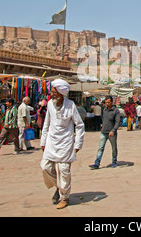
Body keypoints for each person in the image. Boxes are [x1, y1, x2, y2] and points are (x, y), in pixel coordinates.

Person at [40, 79, 85, 210]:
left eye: (54, 92)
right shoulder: (49, 104)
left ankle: (64, 197)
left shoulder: (70, 105)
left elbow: (80, 125)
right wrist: (43, 142)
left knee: (64, 171)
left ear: (60, 93)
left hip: (66, 144)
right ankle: (59, 187)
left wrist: (78, 144)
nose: (52, 94)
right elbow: (46, 124)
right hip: (51, 143)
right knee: (45, 167)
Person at [89, 95, 121, 170]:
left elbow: (117, 122)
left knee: (113, 148)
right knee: (100, 148)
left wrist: (113, 130)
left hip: (111, 133)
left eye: (108, 102)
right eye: (106, 102)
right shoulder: (104, 110)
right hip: (103, 132)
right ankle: (97, 163)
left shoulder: (116, 111)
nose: (107, 104)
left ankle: (114, 161)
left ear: (112, 102)